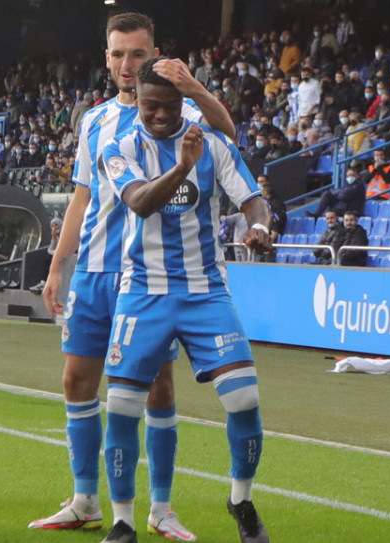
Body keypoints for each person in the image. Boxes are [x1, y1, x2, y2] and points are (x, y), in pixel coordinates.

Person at [33, 12, 235, 543]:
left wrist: (194, 86)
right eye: (119, 54)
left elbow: (230, 137)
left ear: (154, 56)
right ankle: (84, 500)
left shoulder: (181, 110)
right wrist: (59, 265)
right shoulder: (94, 121)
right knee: (77, 380)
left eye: (138, 54)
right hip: (96, 271)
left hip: (150, 275)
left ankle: (161, 508)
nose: (127, 64)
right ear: (106, 57)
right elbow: (82, 196)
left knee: (158, 387)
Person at [98, 56, 270, 543]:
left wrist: (258, 225)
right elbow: (140, 202)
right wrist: (181, 167)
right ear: (136, 101)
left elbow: (251, 197)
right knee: (124, 407)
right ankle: (124, 521)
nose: (160, 116)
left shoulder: (209, 141)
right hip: (142, 293)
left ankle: (241, 499)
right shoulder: (119, 147)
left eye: (170, 107)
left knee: (244, 398)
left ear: (183, 104)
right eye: (152, 106)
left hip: (204, 290)